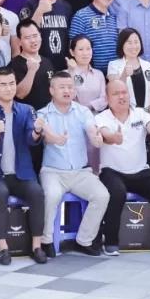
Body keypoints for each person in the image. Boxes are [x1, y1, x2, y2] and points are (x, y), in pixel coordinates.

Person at [0, 67, 49, 264]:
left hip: (21, 173)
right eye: (3, 84)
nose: (8, 88)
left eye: (11, 83)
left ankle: (36, 246)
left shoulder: (26, 110)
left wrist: (37, 131)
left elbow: (31, 140)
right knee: (0, 193)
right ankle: (2, 247)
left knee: (37, 192)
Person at [95, 79, 150, 255]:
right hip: (111, 171)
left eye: (124, 92)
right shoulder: (101, 117)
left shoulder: (140, 113)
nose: (121, 96)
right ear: (107, 98)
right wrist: (113, 138)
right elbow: (105, 134)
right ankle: (111, 241)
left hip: (140, 170)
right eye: (116, 94)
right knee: (117, 193)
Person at [37, 72, 108, 256]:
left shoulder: (83, 111)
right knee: (51, 195)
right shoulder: (43, 113)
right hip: (53, 172)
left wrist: (96, 138)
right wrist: (56, 139)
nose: (67, 91)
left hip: (80, 172)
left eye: (70, 87)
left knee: (102, 195)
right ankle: (46, 240)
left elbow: (91, 129)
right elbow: (45, 135)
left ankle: (84, 240)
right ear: (52, 90)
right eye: (62, 87)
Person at [22, 0, 73, 70]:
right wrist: (40, 11)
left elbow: (69, 37)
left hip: (62, 65)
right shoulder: (30, 5)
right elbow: (25, 34)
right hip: (38, 66)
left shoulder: (66, 6)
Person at [70, 0, 119, 72]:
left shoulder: (114, 16)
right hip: (92, 73)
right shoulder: (81, 15)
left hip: (115, 72)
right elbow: (73, 46)